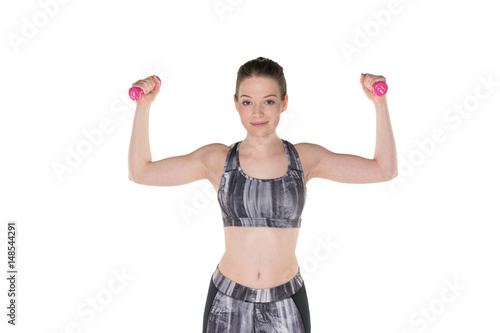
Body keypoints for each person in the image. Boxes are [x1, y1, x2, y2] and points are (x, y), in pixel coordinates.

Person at [128, 57, 397, 332]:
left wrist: (379, 103)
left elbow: (384, 170)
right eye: (247, 102)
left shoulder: (304, 158)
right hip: (226, 301)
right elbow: (141, 172)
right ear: (236, 104)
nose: (257, 112)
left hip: (286, 302)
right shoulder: (217, 160)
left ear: (284, 103)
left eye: (268, 101)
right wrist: (143, 107)